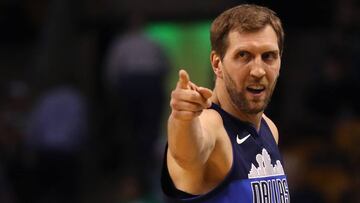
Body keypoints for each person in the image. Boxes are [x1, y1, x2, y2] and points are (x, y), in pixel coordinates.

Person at [161, 4, 290, 202]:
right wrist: (182, 119)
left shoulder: (269, 128)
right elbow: (188, 154)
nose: (258, 70)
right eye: (243, 55)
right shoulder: (211, 125)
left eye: (268, 56)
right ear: (216, 63)